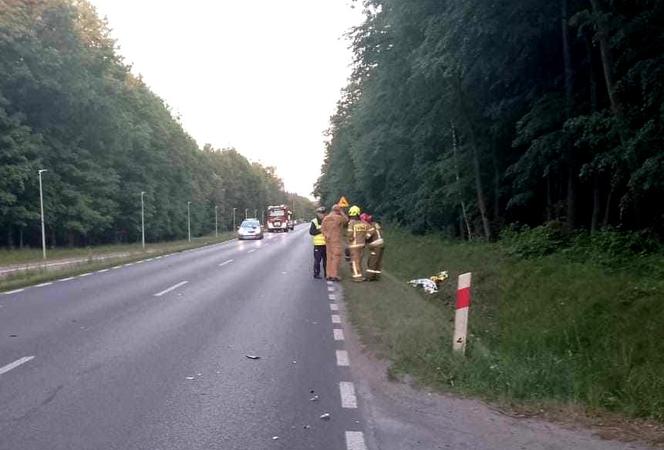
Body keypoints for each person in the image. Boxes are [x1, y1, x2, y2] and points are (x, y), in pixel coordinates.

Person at [321, 204, 348, 281]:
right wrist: (342, 212)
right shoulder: (338, 218)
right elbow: (346, 220)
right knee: (336, 257)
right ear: (338, 210)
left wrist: (326, 235)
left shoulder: (325, 218)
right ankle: (334, 275)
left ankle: (328, 274)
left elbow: (322, 229)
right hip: (336, 241)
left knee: (329, 257)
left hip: (328, 241)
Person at [347, 205, 369, 282]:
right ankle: (361, 275)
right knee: (359, 261)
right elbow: (370, 229)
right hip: (362, 245)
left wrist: (350, 238)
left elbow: (350, 234)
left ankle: (357, 277)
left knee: (354, 262)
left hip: (354, 245)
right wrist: (366, 237)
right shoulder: (364, 222)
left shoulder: (351, 223)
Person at [363, 213, 384, 281]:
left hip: (376, 245)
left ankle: (369, 277)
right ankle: (376, 276)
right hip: (381, 243)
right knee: (378, 261)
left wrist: (362, 240)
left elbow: (367, 236)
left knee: (372, 261)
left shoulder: (370, 226)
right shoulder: (376, 225)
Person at [309, 206, 327, 279]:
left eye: (323, 213)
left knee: (326, 261)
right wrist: (320, 230)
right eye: (320, 213)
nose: (321, 215)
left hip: (326, 244)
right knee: (317, 261)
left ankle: (327, 274)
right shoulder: (314, 221)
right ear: (317, 214)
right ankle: (316, 274)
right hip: (318, 245)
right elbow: (311, 232)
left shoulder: (327, 220)